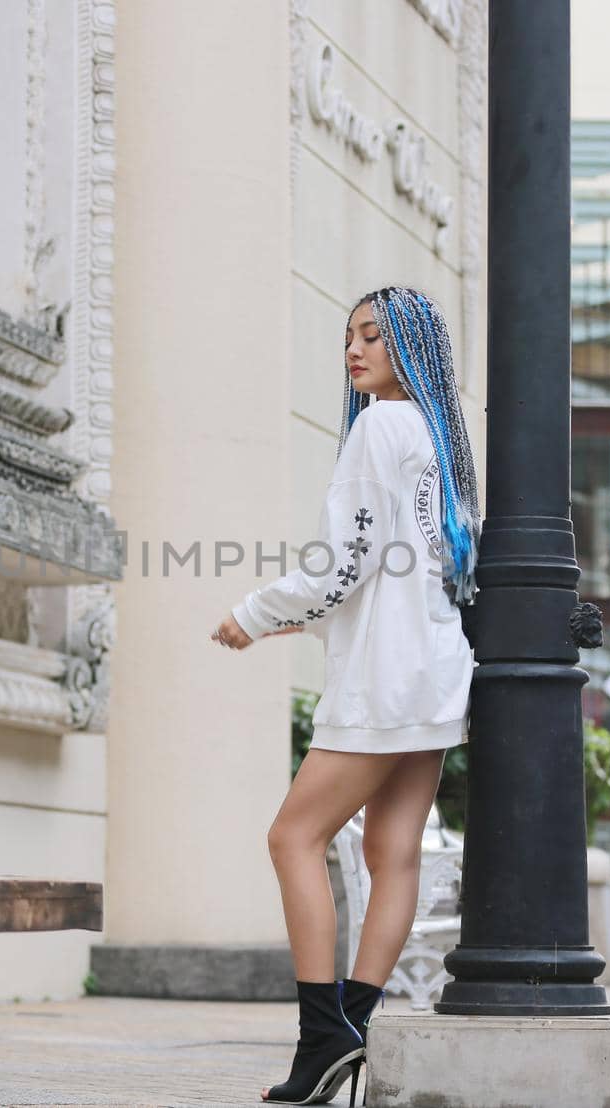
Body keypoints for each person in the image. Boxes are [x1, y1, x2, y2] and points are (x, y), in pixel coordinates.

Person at [211, 286, 479, 1105]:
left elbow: (343, 564)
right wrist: (319, 622)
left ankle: (325, 1030)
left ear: (411, 348)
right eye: (349, 338)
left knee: (292, 837)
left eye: (374, 336)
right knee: (390, 853)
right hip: (433, 676)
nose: (355, 350)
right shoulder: (440, 438)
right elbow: (409, 568)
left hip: (385, 683)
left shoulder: (380, 426)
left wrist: (253, 615)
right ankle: (353, 1027)